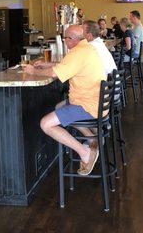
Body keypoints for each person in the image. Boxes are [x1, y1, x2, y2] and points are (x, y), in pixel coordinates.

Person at [23, 25, 105, 176]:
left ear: (72, 39)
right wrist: (46, 65)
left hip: (86, 105)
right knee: (59, 105)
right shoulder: (86, 48)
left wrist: (34, 71)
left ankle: (85, 153)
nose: (64, 40)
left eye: (65, 38)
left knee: (46, 124)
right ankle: (91, 138)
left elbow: (55, 74)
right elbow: (68, 66)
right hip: (96, 102)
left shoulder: (78, 53)